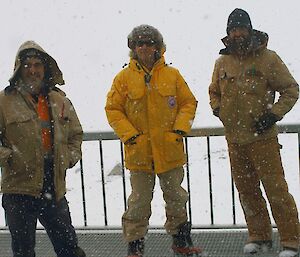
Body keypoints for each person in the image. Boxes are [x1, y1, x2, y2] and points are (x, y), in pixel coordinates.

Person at [209, 8, 300, 257]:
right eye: (233, 29)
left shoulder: (268, 58)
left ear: (249, 29)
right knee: (247, 191)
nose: (237, 33)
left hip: (263, 140)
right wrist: (218, 109)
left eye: (241, 28)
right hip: (235, 140)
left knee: (276, 191)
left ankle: (291, 240)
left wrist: (273, 114)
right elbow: (213, 92)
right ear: (228, 32)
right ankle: (259, 236)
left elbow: (291, 89)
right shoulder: (222, 62)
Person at [105, 24, 201, 257]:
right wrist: (132, 137)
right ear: (133, 48)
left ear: (158, 47)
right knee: (138, 203)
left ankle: (181, 241)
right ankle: (135, 247)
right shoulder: (123, 78)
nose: (145, 47)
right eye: (140, 43)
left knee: (177, 198)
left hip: (170, 152)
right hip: (139, 154)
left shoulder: (172, 74)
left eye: (149, 43)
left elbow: (188, 103)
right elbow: (113, 109)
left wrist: (178, 131)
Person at [0, 41, 86, 257]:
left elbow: (75, 134)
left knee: (69, 247)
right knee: (23, 250)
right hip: (18, 188)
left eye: (37, 64)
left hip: (53, 186)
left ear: (45, 68)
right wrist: (9, 157)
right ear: (19, 68)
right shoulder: (4, 101)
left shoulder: (60, 99)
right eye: (27, 65)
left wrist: (69, 157)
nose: (33, 70)